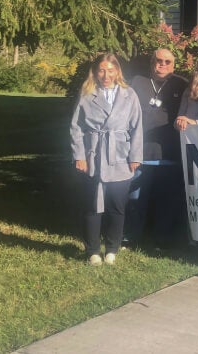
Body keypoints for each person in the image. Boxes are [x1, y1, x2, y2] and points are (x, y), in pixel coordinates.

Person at [70, 53, 142, 266]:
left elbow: (137, 127)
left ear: (118, 71)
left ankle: (112, 249)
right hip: (95, 156)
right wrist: (79, 156)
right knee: (93, 204)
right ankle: (92, 250)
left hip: (120, 155)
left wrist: (135, 156)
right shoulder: (87, 94)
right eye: (102, 70)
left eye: (111, 70)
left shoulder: (129, 95)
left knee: (117, 205)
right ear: (95, 71)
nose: (106, 75)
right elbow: (75, 127)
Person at [125, 48, 189, 249]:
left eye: (167, 62)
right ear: (152, 62)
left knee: (166, 200)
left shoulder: (182, 84)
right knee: (135, 198)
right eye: (158, 61)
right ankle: (129, 237)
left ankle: (161, 240)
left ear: (174, 65)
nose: (162, 64)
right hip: (139, 152)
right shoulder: (136, 82)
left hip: (169, 152)